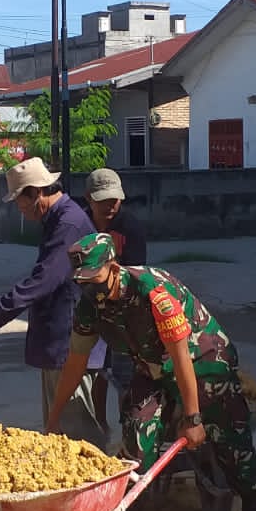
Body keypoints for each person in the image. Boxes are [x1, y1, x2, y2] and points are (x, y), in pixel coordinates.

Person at [46, 232, 256, 511]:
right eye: (82, 282)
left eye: (94, 279)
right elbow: (76, 361)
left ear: (113, 268)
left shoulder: (153, 292)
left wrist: (193, 417)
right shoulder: (90, 305)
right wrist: (55, 416)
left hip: (202, 359)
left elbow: (181, 357)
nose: (89, 288)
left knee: (228, 435)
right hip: (153, 365)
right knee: (137, 432)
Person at [0, 158, 107, 447]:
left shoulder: (67, 223)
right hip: (62, 339)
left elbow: (45, 280)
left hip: (70, 342)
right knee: (60, 432)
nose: (19, 208)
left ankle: (97, 476)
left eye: (19, 200)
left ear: (36, 193)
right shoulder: (59, 219)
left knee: (76, 436)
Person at [84, 168, 148, 428]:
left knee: (125, 377)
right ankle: (99, 426)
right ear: (89, 198)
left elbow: (137, 276)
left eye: (115, 199)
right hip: (90, 307)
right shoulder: (81, 226)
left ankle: (128, 430)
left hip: (124, 313)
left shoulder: (131, 228)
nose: (110, 205)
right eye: (103, 200)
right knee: (96, 371)